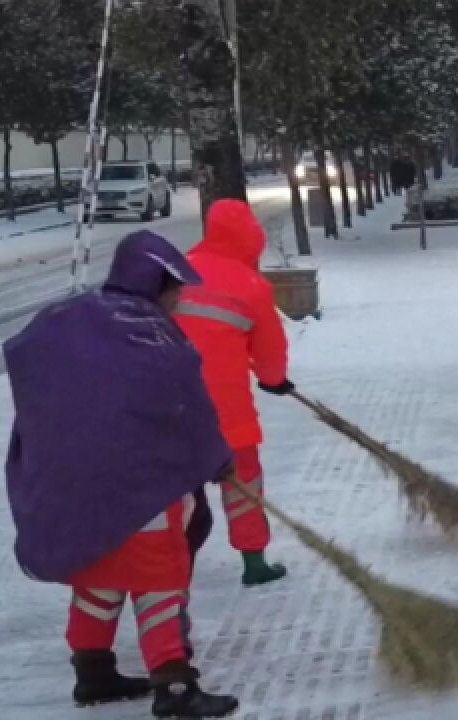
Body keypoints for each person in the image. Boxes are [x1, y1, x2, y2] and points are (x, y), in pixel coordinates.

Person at [4, 230, 241, 718]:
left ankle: (92, 672)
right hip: (140, 486)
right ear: (156, 282)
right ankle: (174, 687)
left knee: (99, 575)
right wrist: (217, 459)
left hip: (70, 485)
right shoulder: (152, 333)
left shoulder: (65, 318)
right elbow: (187, 406)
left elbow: (24, 360)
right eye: (175, 290)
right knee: (158, 581)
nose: (179, 300)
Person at [175, 199, 294, 587]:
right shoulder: (252, 285)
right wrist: (273, 380)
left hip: (171, 408)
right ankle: (254, 561)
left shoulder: (176, 271)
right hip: (228, 413)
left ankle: (168, 564)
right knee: (243, 484)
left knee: (172, 490)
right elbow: (270, 351)